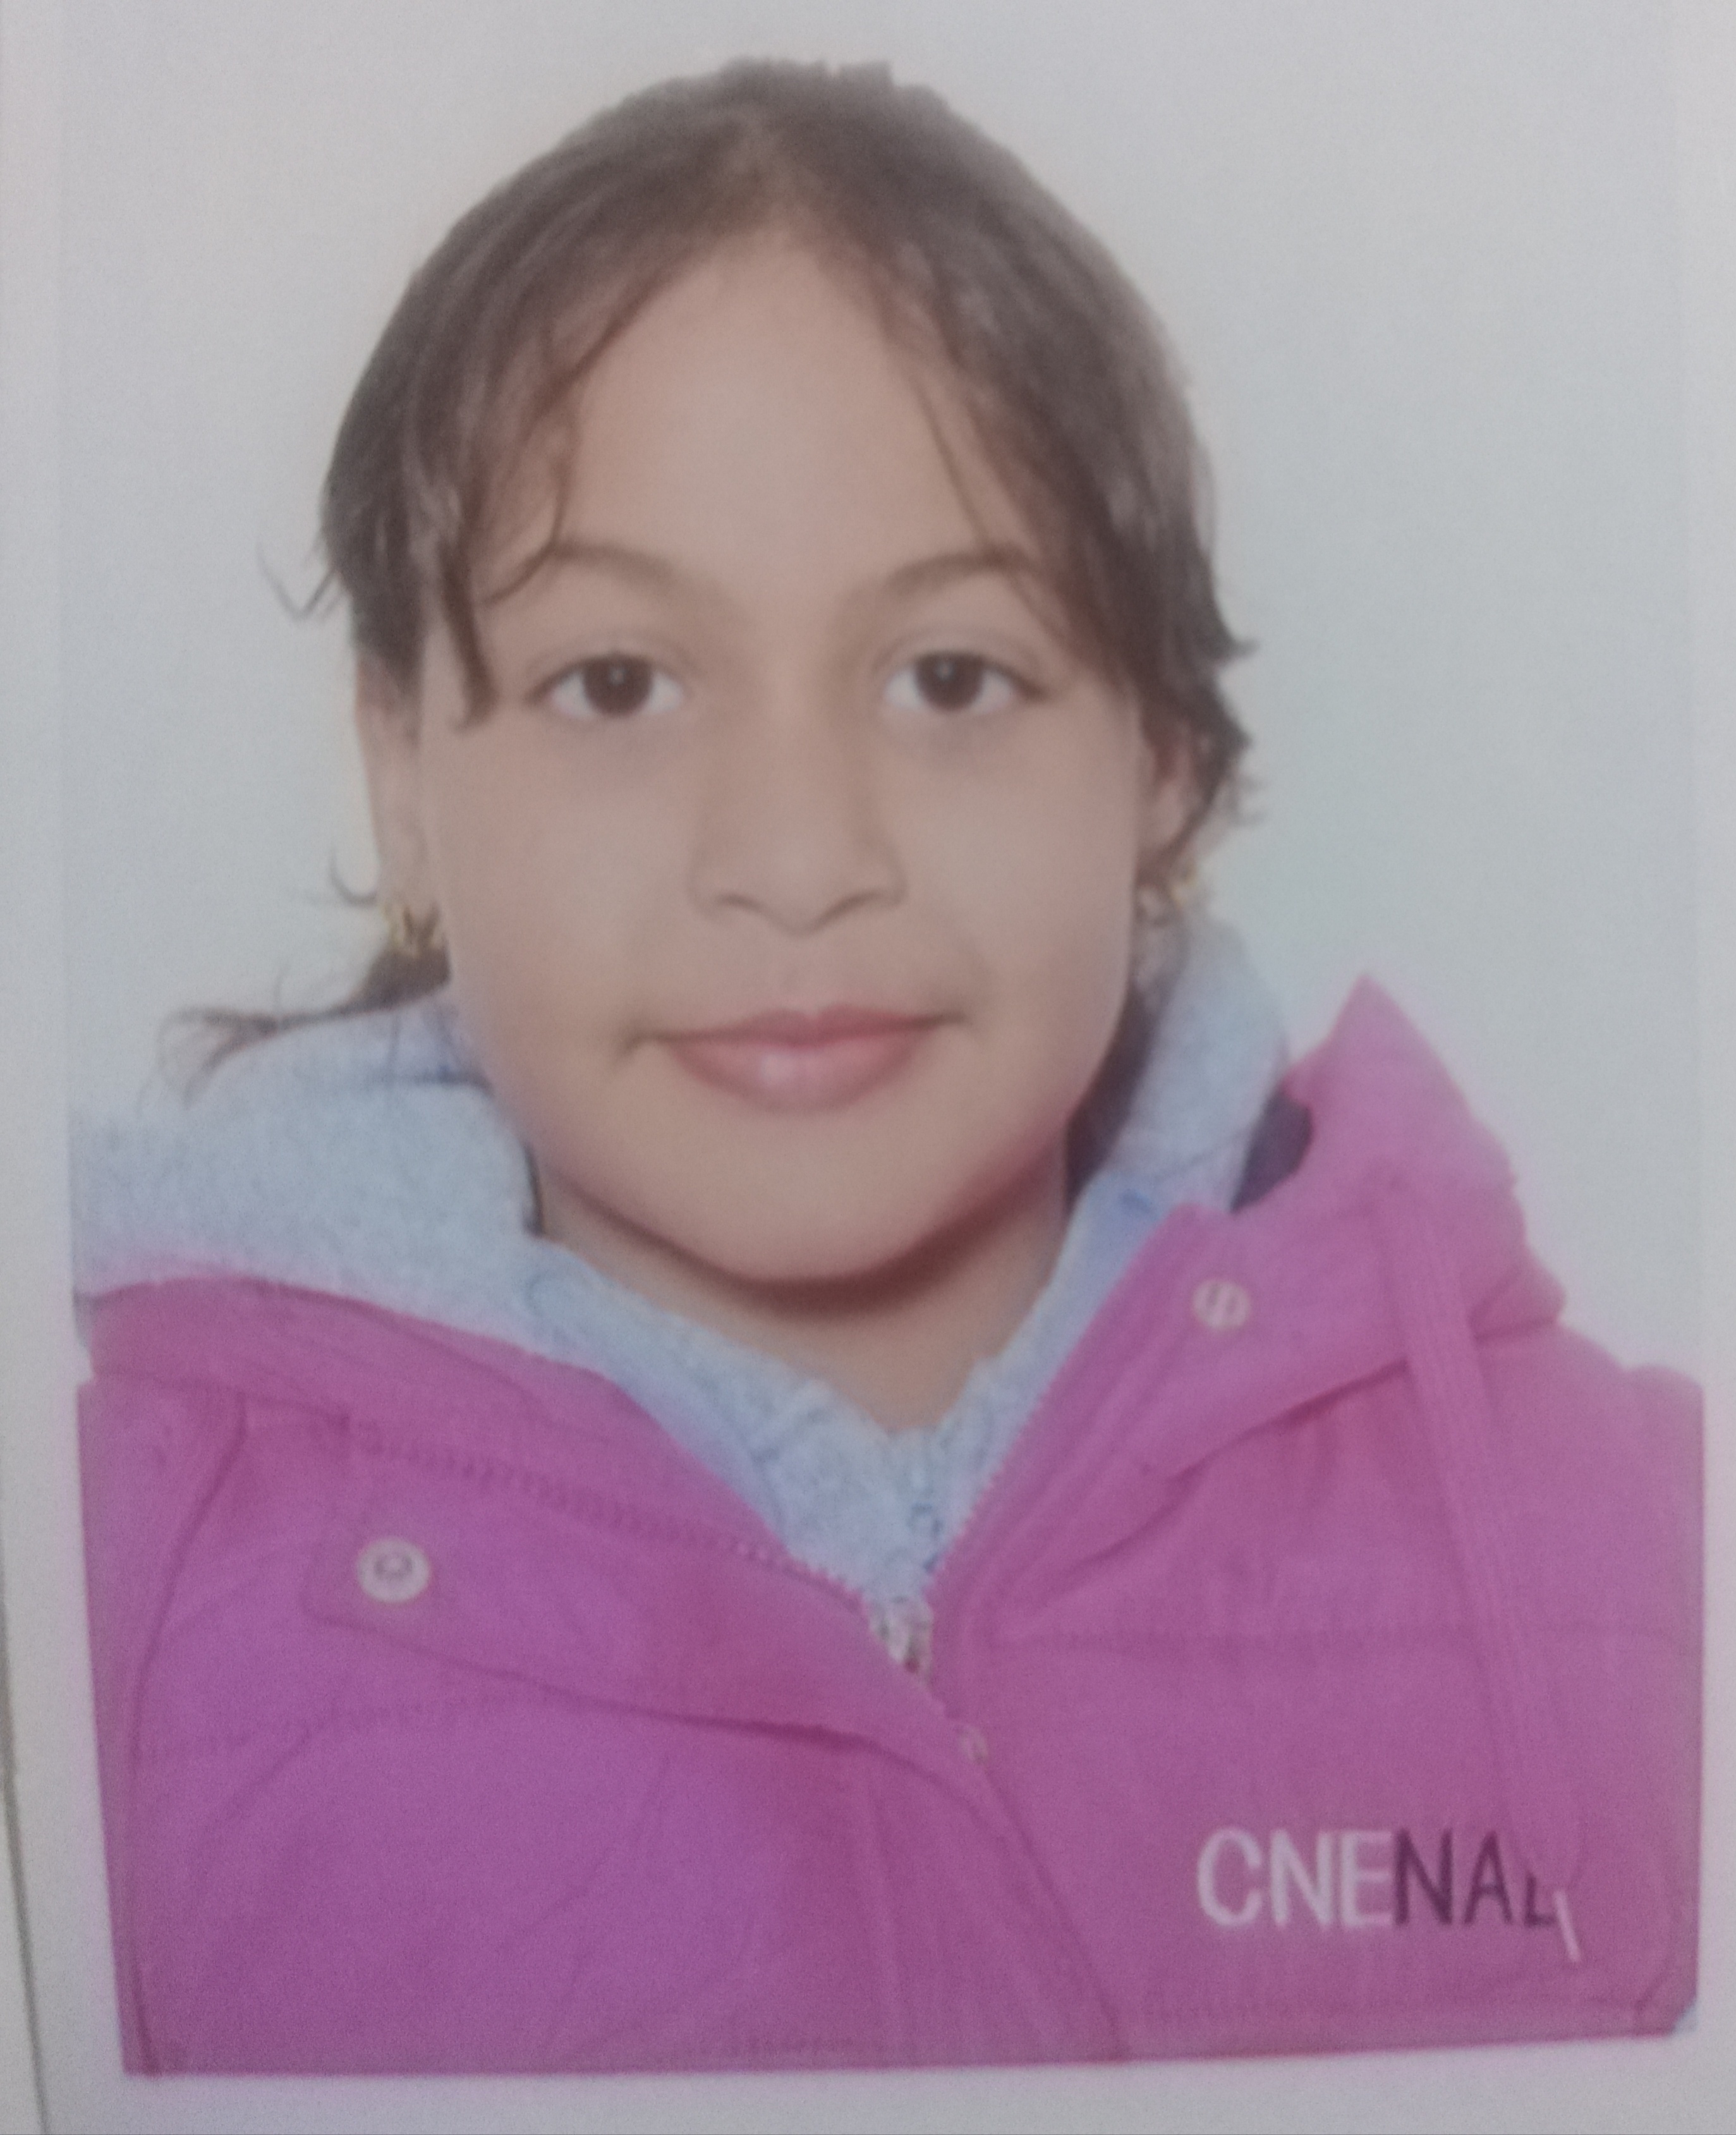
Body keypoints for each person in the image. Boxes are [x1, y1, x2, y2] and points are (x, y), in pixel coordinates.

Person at [72, 61, 1701, 2076]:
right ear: (401, 769)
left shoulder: (1631, 1554)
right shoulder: (87, 1623)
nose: (796, 855)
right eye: (616, 682)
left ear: (1160, 761)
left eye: (950, 676)